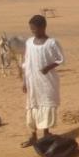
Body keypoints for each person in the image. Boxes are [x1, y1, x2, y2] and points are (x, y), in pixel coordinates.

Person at [21, 15, 65, 148]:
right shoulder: (29, 42)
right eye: (31, 29)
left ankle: (46, 134)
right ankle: (33, 136)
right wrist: (24, 81)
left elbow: (61, 59)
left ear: (43, 27)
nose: (32, 31)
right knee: (32, 105)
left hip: (47, 82)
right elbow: (26, 63)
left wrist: (48, 67)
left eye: (34, 29)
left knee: (46, 105)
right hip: (32, 81)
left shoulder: (52, 42)